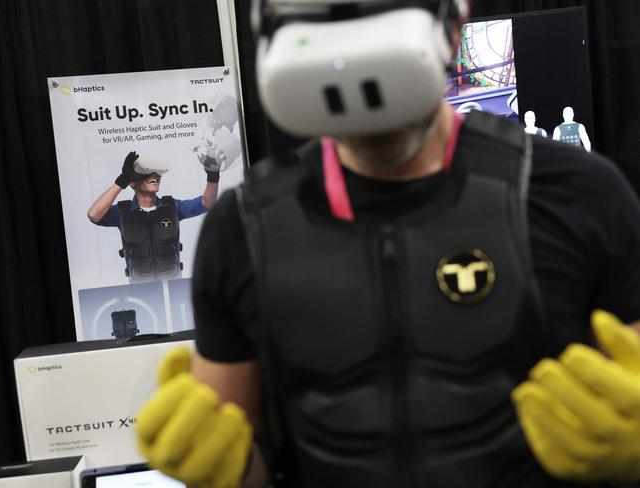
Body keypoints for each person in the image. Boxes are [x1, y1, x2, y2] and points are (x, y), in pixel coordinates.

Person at [136, 1, 640, 487]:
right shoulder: (244, 227)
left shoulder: (578, 195)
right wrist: (219, 468)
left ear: (454, 22)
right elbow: (247, 459)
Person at [87, 149, 221, 282]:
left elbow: (207, 203)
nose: (154, 176)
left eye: (157, 174)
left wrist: (213, 175)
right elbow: (94, 215)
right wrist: (122, 181)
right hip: (140, 288)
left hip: (173, 283)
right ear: (132, 182)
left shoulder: (172, 207)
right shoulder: (123, 212)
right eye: (146, 173)